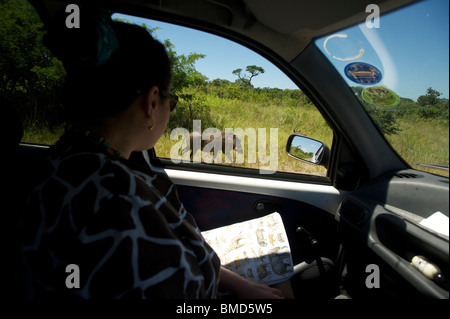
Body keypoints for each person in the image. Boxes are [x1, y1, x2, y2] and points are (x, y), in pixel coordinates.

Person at [16, 19, 290, 299]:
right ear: (152, 102)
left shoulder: (63, 163)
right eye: (170, 102)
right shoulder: (119, 201)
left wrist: (236, 282)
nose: (169, 110)